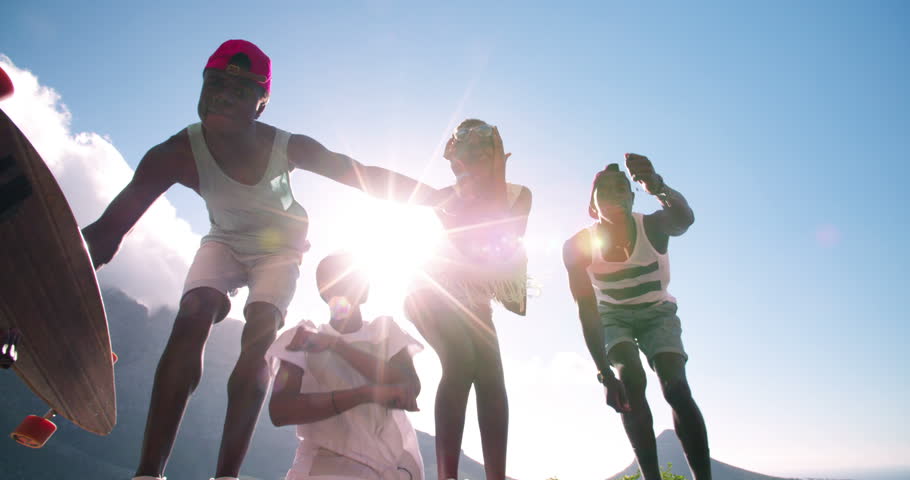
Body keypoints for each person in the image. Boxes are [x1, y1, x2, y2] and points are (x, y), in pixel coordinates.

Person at [82, 39, 441, 480]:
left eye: (240, 90)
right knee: (193, 312)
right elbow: (104, 234)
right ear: (202, 88)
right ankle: (148, 473)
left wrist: (436, 199)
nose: (224, 96)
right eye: (215, 84)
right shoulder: (175, 153)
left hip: (279, 250)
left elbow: (360, 174)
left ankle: (226, 475)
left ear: (261, 104)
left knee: (260, 328)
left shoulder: (286, 147)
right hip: (224, 242)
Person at [562, 155, 710, 480]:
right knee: (631, 383)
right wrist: (604, 375)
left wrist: (657, 186)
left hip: (657, 312)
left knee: (676, 389)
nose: (615, 194)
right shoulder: (579, 246)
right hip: (613, 317)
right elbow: (587, 310)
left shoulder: (654, 227)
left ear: (632, 198)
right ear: (592, 206)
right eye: (605, 190)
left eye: (622, 189)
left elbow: (685, 218)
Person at [403, 119, 532, 480]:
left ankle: (496, 476)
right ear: (452, 156)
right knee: (460, 359)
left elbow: (501, 244)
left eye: (484, 147)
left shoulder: (520, 195)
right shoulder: (446, 198)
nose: (475, 155)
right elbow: (474, 245)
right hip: (429, 292)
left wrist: (499, 175)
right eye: (466, 148)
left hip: (475, 302)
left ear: (497, 153)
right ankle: (447, 476)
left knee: (492, 377)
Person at [267, 251, 424, 480]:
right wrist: (364, 394)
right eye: (339, 278)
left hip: (384, 467)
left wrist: (337, 346)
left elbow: (409, 386)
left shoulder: (385, 331)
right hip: (322, 466)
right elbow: (281, 410)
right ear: (324, 289)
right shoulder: (302, 336)